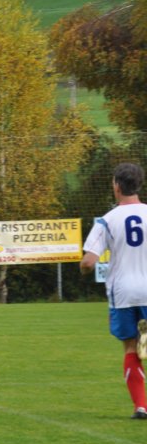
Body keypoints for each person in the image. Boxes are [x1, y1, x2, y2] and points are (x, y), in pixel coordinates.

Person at [81, 162, 147, 419]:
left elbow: (89, 261)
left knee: (131, 348)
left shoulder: (107, 220)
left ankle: (141, 406)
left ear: (117, 186)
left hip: (123, 294)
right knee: (145, 345)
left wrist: (83, 269)